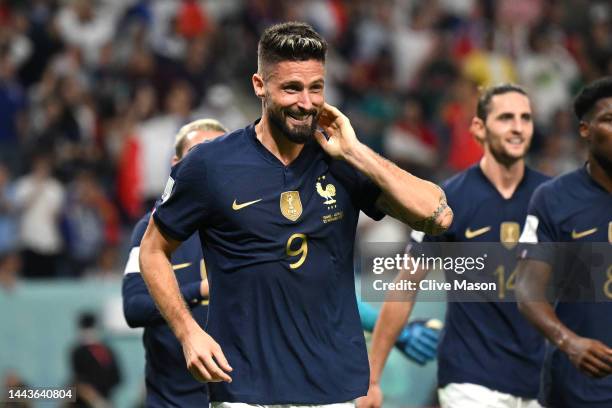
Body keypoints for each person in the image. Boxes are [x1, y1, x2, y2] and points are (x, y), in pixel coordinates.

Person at [139, 21, 452, 406]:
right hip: (244, 389)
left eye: (315, 88)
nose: (305, 103)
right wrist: (188, 333)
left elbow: (437, 215)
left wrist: (356, 152)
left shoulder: (343, 159)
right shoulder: (210, 165)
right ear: (259, 86)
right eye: (291, 88)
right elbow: (152, 250)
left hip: (333, 389)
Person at [359, 84, 550, 408]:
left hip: (541, 381)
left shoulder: (553, 199)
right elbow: (405, 287)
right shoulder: (449, 201)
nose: (518, 127)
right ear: (479, 127)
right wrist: (373, 379)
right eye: (506, 118)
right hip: (469, 380)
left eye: (525, 118)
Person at [516, 76, 612, 407]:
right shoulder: (554, 199)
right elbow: (528, 291)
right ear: (585, 130)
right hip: (578, 388)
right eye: (609, 120)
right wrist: (570, 343)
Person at [122, 118, 228, 407]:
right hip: (173, 399)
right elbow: (133, 309)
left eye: (218, 156)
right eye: (197, 155)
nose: (208, 166)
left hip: (240, 395)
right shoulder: (150, 231)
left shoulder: (251, 222)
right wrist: (200, 290)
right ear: (176, 163)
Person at [69, 312, 122, 408]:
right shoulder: (107, 350)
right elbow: (117, 378)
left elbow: (79, 382)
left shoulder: (78, 352)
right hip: (101, 401)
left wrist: (97, 401)